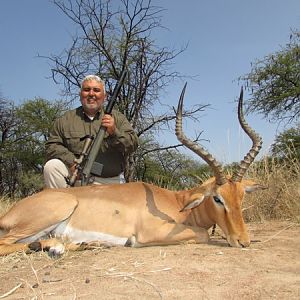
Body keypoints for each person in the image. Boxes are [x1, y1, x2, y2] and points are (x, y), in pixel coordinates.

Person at [43, 75, 138, 188]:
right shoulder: (65, 119)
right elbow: (52, 145)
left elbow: (133, 144)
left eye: (96, 90)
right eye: (87, 89)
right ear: (80, 94)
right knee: (51, 167)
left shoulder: (118, 118)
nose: (91, 94)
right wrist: (72, 162)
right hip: (76, 176)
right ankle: (61, 204)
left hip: (109, 181)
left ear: (105, 97)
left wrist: (114, 132)